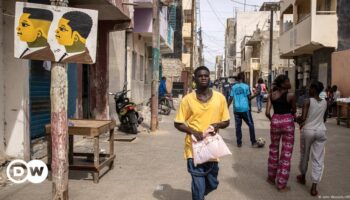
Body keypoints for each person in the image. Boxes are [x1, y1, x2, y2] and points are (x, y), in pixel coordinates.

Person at [174, 66, 230, 200]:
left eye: (206, 75)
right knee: (198, 183)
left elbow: (226, 121)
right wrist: (193, 131)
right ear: (194, 79)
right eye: (200, 76)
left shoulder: (220, 98)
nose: (204, 78)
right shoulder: (187, 100)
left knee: (212, 183)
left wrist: (217, 125)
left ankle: (200, 194)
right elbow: (178, 123)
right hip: (194, 148)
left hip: (212, 147)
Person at [265, 75, 296, 192]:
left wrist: (273, 120)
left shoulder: (271, 95)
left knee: (273, 149)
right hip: (288, 122)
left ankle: (271, 177)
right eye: (287, 81)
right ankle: (281, 184)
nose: (289, 82)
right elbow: (293, 110)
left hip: (275, 121)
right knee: (286, 153)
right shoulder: (291, 95)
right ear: (282, 84)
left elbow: (267, 112)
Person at [296, 81, 327, 197]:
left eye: (310, 88)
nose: (309, 90)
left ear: (314, 89)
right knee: (318, 159)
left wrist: (296, 118)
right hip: (321, 131)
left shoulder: (307, 101)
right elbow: (324, 119)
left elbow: (303, 118)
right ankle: (314, 187)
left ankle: (302, 177)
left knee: (304, 155)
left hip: (308, 130)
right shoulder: (325, 102)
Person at [228, 72, 257, 148]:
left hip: (236, 109)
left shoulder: (234, 87)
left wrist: (226, 107)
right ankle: (253, 142)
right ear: (243, 78)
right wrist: (256, 94)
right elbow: (249, 98)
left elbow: (231, 98)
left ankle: (239, 143)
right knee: (251, 124)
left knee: (238, 126)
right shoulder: (246, 86)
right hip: (245, 109)